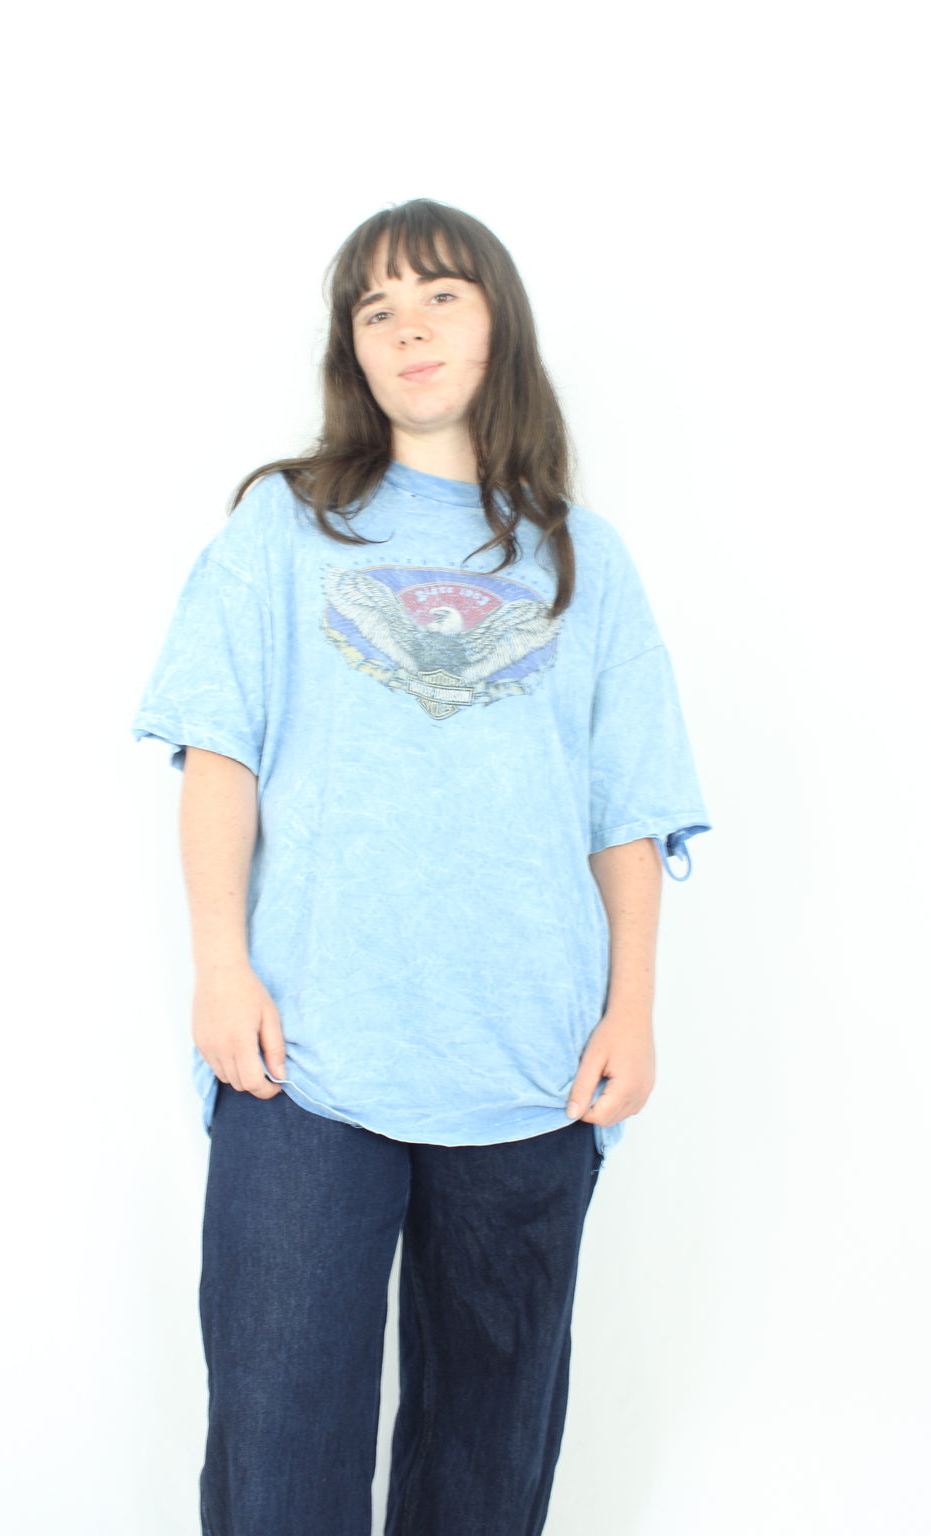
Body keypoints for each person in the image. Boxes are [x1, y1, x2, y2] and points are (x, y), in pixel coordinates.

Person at [131, 197, 712, 1536]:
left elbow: (627, 809)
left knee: (486, 1466)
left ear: (500, 322)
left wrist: (632, 1010)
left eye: (441, 294)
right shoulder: (285, 527)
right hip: (305, 1055)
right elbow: (218, 751)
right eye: (377, 307)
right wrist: (220, 969)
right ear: (353, 349)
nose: (409, 328)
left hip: (530, 1061)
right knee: (279, 1455)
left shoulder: (584, 559)